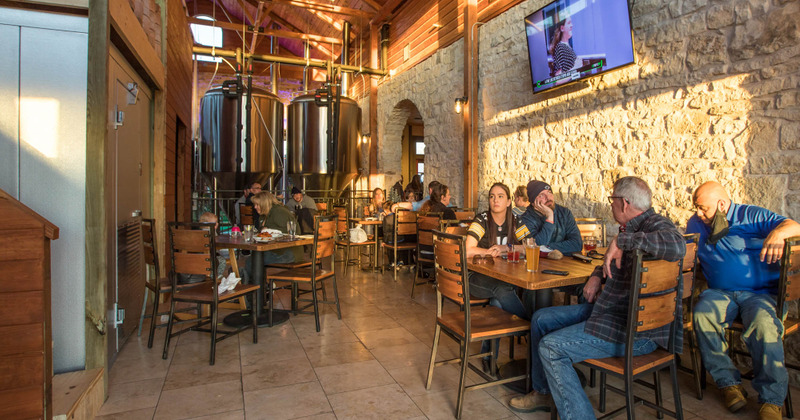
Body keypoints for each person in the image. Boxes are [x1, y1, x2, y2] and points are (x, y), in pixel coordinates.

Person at [508, 176, 686, 417]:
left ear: (623, 203)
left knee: (551, 348)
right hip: (614, 313)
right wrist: (596, 275)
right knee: (541, 319)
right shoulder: (632, 228)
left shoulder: (655, 225)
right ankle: (543, 392)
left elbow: (678, 245)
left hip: (636, 330)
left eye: (612, 200)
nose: (610, 205)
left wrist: (621, 241)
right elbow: (535, 244)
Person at [687, 181, 800, 420]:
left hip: (760, 294)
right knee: (701, 314)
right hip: (720, 293)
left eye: (702, 208)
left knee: (763, 322)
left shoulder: (751, 215)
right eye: (696, 207)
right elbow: (687, 248)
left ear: (721, 204)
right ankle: (728, 383)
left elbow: (794, 226)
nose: (697, 213)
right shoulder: (696, 223)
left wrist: (779, 233)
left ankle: (771, 399)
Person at [520, 180, 582, 257]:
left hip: (564, 263)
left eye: (549, 192)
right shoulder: (524, 219)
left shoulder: (565, 213)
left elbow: (577, 244)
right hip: (537, 264)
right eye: (541, 195)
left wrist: (548, 247)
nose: (548, 198)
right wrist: (550, 217)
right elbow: (534, 248)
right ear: (533, 203)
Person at [248, 191, 303, 266]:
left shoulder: (278, 211)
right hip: (275, 250)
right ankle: (243, 276)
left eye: (257, 204)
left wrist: (268, 230)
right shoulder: (263, 215)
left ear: (264, 204)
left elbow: (291, 233)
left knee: (255, 260)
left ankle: (242, 276)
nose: (255, 207)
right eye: (254, 204)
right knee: (253, 259)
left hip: (289, 252)